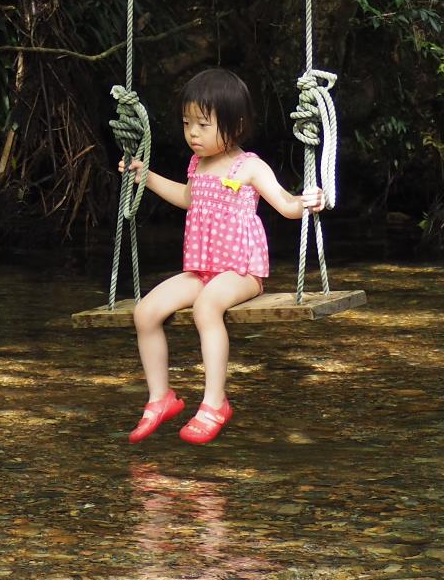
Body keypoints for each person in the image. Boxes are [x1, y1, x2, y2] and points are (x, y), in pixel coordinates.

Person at [119, 68, 324, 444]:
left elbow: (285, 205)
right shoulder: (197, 166)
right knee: (145, 311)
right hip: (201, 270)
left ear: (236, 124)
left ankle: (214, 402)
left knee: (206, 308)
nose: (192, 133)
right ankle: (160, 397)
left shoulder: (249, 166)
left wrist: (308, 201)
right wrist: (144, 176)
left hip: (240, 270)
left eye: (202, 124)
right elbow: (187, 198)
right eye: (186, 123)